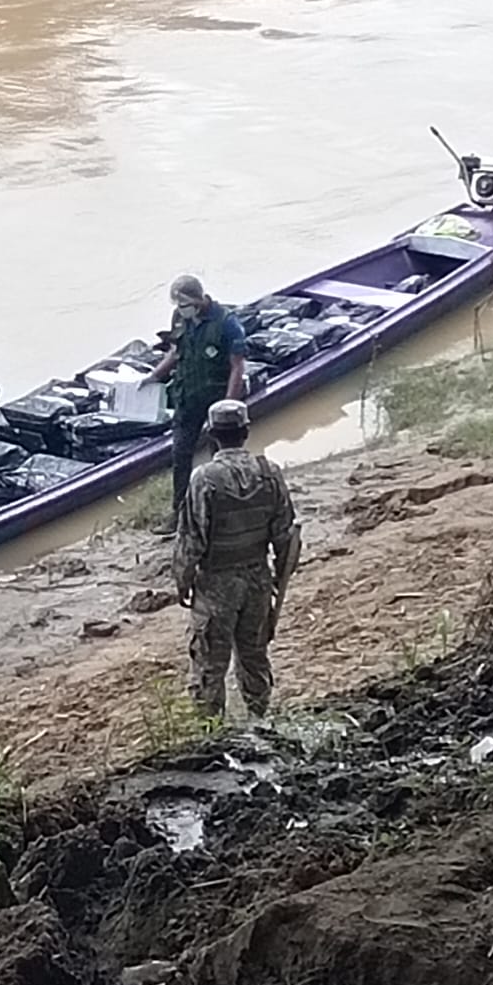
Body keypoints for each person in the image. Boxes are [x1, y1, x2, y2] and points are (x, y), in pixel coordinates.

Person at [173, 400, 299, 720]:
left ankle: (211, 732)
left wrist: (183, 581)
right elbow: (285, 535)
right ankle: (260, 719)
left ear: (212, 435)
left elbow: (191, 539)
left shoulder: (204, 479)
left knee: (209, 665)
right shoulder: (270, 473)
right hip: (257, 579)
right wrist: (279, 577)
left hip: (216, 583)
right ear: (245, 431)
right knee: (254, 656)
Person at [141, 274, 247, 535]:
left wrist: (229, 405)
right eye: (177, 304)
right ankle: (179, 514)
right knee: (180, 455)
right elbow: (175, 354)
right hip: (188, 399)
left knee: (219, 457)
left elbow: (237, 367)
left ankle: (221, 511)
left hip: (216, 401)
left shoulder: (227, 324)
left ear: (199, 300)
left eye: (185, 303)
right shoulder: (180, 319)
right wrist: (153, 377)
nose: (181, 309)